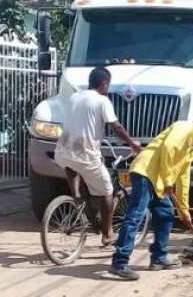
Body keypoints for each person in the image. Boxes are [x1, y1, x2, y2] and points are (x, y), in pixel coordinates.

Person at [109, 115, 193, 280]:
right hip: (146, 172)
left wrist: (184, 211)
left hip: (158, 181)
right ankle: (119, 262)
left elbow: (183, 181)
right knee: (136, 215)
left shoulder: (189, 148)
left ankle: (159, 257)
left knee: (166, 214)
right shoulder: (184, 127)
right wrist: (167, 181)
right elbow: (167, 148)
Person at [54, 66, 142, 246]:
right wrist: (132, 142)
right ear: (104, 84)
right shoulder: (102, 101)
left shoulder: (74, 97)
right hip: (85, 154)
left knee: (72, 166)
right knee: (107, 190)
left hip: (63, 150)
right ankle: (107, 234)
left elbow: (82, 125)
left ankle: (77, 198)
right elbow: (116, 127)